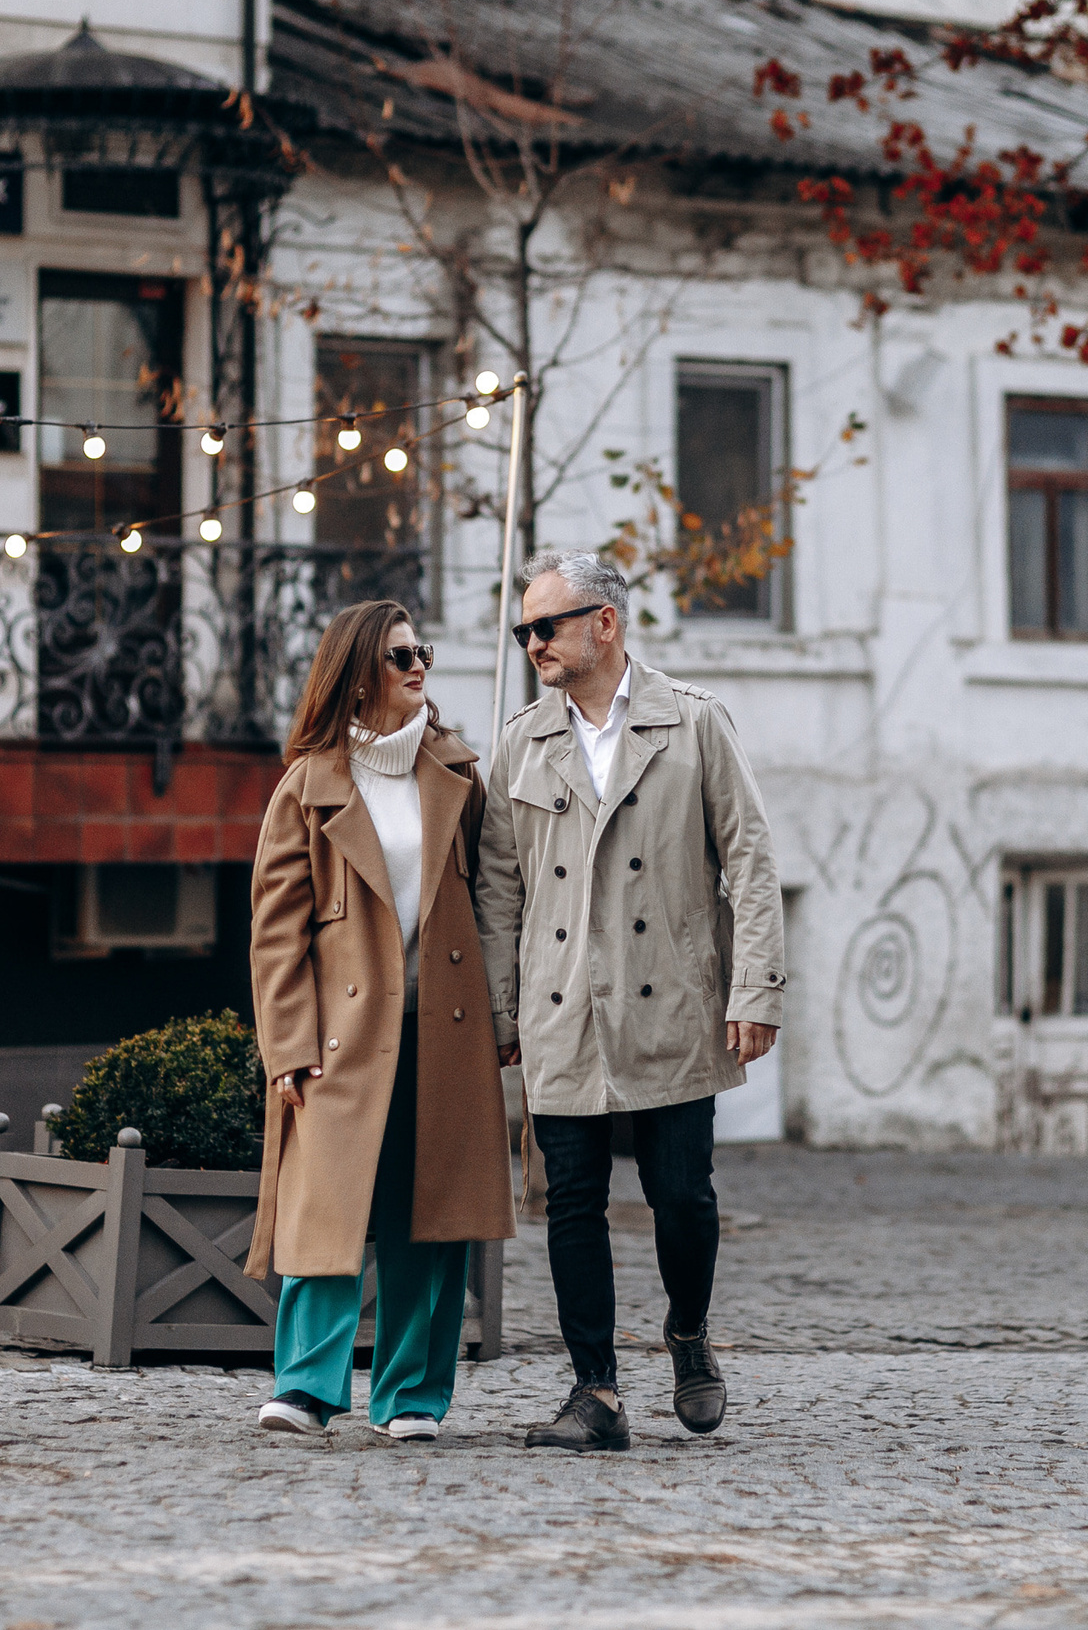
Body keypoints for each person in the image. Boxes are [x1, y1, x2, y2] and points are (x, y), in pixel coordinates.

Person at [474, 550, 786, 1453]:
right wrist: (505, 1009)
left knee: (681, 1193)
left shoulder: (692, 725)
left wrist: (754, 986)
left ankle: (687, 1332)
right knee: (571, 1200)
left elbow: (753, 863)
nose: (533, 641)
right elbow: (499, 889)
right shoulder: (520, 741)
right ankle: (595, 1389)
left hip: (674, 1001)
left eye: (548, 625)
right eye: (524, 629)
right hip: (562, 1004)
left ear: (602, 623)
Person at [244, 600, 515, 1441]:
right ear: (360, 672)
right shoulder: (308, 786)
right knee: (324, 1216)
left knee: (428, 1222)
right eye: (401, 654)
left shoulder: (459, 775)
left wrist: (504, 1020)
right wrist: (286, 1044)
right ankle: (306, 1388)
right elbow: (275, 932)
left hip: (447, 1033)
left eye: (422, 650)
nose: (418, 664)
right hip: (340, 1040)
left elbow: (496, 901)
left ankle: (412, 1399)